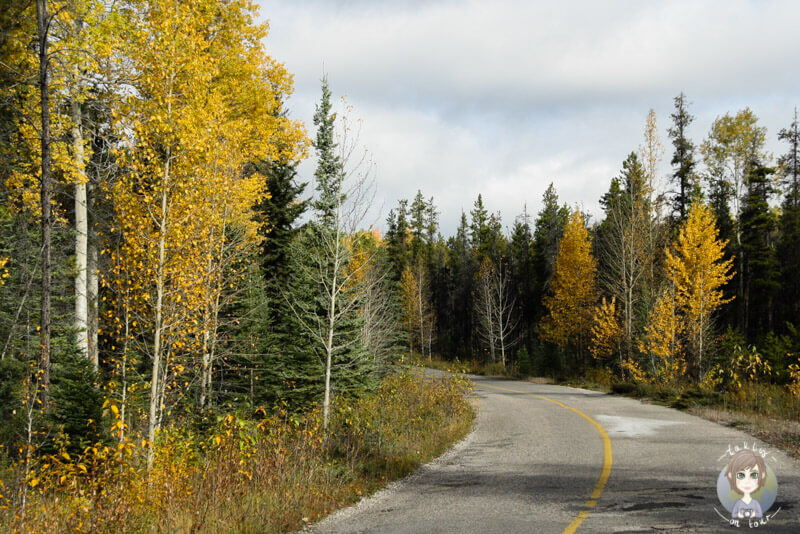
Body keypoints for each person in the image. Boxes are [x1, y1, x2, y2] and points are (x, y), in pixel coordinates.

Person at [725, 449, 767, 519]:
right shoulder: (738, 503)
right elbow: (733, 514)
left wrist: (753, 514)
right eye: (741, 475)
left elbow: (760, 514)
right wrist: (739, 514)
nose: (747, 481)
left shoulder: (755, 503)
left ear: (762, 475)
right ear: (731, 476)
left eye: (753, 475)